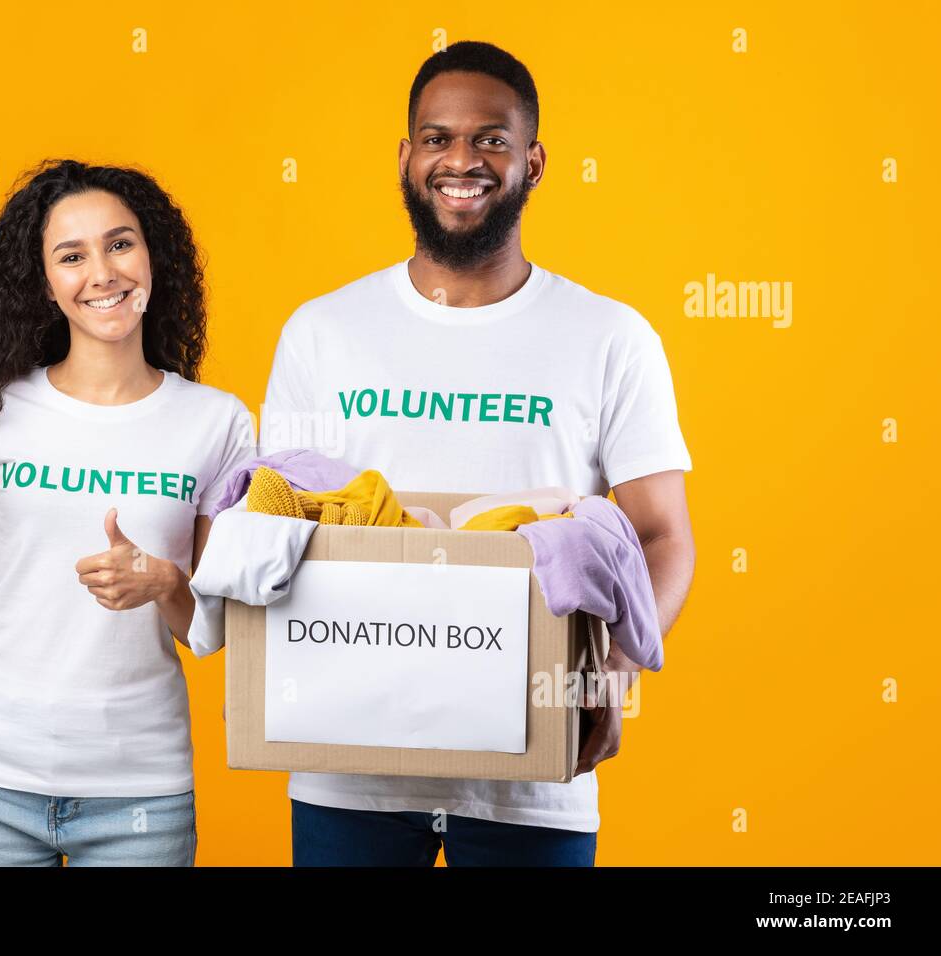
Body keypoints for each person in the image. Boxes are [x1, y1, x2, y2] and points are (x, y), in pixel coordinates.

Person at [259, 41, 696, 866]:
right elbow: (280, 521)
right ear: (406, 157)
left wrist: (615, 671)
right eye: (438, 138)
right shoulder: (323, 332)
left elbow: (663, 535)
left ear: (534, 162)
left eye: (491, 140)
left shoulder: (610, 337)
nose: (461, 160)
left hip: (534, 773)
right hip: (350, 764)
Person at [0, 159, 254, 866]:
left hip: (139, 792)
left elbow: (213, 632)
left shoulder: (217, 423)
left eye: (120, 244)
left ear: (153, 256)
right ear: (45, 283)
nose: (102, 273)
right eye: (72, 256)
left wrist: (165, 582)